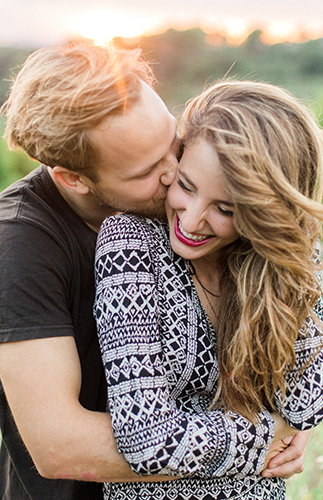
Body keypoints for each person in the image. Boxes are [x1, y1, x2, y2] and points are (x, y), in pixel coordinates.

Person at [0, 42, 310, 500]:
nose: (175, 172)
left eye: (171, 139)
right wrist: (262, 442)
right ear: (73, 176)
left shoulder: (182, 199)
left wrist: (287, 415)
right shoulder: (19, 245)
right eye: (148, 168)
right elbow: (60, 445)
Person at [94, 80, 323, 500]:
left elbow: (306, 405)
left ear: (266, 217)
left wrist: (292, 258)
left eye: (225, 209)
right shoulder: (130, 244)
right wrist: (268, 438)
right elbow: (146, 438)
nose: (191, 219)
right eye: (186, 185)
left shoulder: (279, 262)